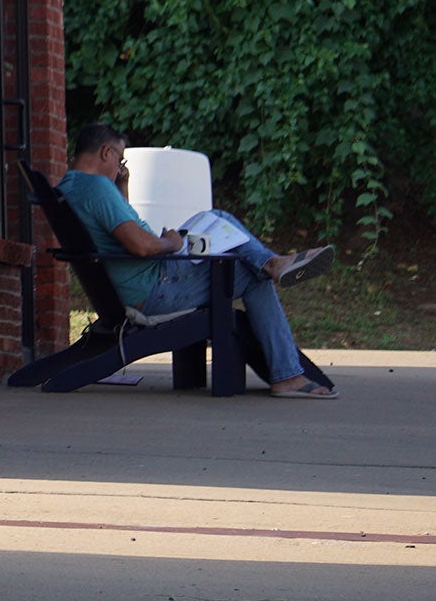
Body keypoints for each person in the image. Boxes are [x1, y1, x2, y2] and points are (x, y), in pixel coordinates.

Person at [59, 122, 338, 399]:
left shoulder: (71, 186)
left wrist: (122, 185)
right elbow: (142, 246)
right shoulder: (96, 187)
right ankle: (287, 374)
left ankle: (273, 263)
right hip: (154, 288)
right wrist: (172, 243)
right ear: (106, 153)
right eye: (120, 159)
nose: (120, 167)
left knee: (217, 219)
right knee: (252, 275)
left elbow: (120, 229)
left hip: (133, 284)